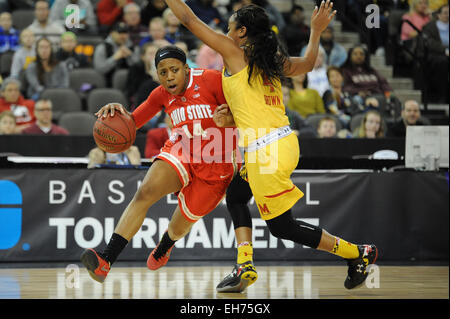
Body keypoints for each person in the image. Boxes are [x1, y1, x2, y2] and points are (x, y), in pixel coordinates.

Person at [164, 0, 377, 293]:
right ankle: (245, 264)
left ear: (241, 33)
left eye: (229, 28)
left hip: (267, 151)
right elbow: (307, 64)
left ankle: (357, 253)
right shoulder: (269, 58)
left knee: (282, 227)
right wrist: (315, 32)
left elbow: (188, 18)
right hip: (278, 144)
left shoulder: (234, 52)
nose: (226, 32)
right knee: (237, 195)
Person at [80, 45, 239, 283]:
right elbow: (131, 123)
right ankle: (106, 260)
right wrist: (116, 114)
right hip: (182, 151)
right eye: (162, 72)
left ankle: (165, 245)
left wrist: (229, 120)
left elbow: (246, 114)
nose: (168, 77)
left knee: (178, 227)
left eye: (174, 70)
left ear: (186, 68)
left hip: (217, 164)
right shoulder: (161, 94)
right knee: (144, 193)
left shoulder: (213, 80)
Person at [93, 22, 140, 87]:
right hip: (107, 84)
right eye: (119, 32)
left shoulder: (134, 48)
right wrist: (114, 58)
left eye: (125, 33)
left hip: (131, 85)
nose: (123, 36)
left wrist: (130, 56)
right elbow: (99, 69)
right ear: (111, 33)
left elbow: (140, 69)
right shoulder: (102, 48)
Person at [421, 4, 449, 103]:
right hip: (436, 54)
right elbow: (429, 42)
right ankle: (442, 96)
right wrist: (445, 50)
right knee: (442, 62)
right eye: (445, 13)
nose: (448, 15)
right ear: (438, 15)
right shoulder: (430, 26)